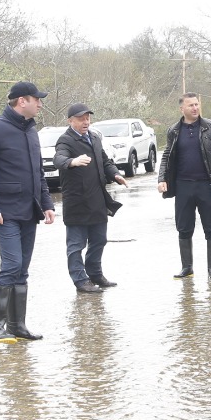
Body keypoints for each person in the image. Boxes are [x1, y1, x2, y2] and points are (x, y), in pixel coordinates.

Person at [0, 81, 56, 343]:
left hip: (29, 211)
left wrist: (47, 203)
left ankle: (17, 325)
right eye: (37, 99)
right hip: (4, 212)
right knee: (11, 265)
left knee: (23, 269)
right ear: (22, 101)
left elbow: (37, 173)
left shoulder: (31, 131)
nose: (40, 103)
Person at [54, 103, 127, 293]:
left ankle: (95, 274)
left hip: (97, 200)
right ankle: (80, 280)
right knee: (76, 245)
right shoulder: (65, 140)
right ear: (70, 121)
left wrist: (116, 174)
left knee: (99, 240)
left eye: (87, 118)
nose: (85, 122)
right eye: (81, 119)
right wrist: (72, 162)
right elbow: (58, 159)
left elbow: (105, 161)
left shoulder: (94, 137)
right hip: (77, 202)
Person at [156, 91, 211, 279]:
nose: (195, 108)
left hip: (207, 185)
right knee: (184, 227)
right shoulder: (173, 130)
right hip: (183, 187)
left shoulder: (210, 127)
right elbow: (166, 156)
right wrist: (162, 178)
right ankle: (187, 267)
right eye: (191, 105)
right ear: (182, 108)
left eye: (197, 104)